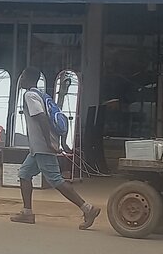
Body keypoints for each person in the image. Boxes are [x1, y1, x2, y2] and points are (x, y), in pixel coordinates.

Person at [10, 67, 101, 229]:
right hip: (38, 148)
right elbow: (60, 117)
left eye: (22, 76)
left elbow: (42, 118)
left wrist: (49, 143)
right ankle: (27, 212)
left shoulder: (29, 95)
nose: (21, 79)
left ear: (28, 78)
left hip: (42, 146)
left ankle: (88, 208)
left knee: (56, 180)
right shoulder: (42, 96)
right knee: (24, 174)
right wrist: (62, 142)